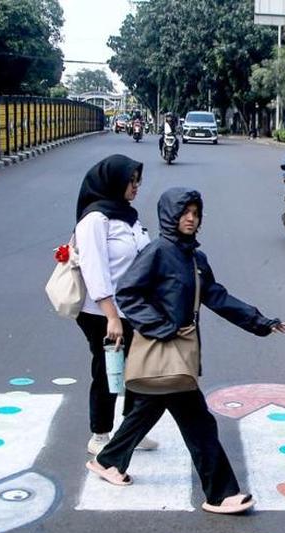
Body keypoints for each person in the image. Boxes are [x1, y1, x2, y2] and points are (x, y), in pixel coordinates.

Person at [87, 188, 285, 514]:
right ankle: (220, 494)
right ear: (170, 215)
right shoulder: (158, 251)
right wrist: (161, 327)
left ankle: (108, 460)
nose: (191, 218)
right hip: (166, 348)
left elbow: (216, 296)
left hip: (179, 351)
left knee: (149, 407)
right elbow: (127, 293)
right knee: (199, 423)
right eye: (185, 212)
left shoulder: (195, 258)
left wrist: (260, 322)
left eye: (196, 213)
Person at [73, 155, 158, 454]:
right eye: (130, 181)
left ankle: (131, 430)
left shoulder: (128, 217)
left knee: (138, 370)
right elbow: (94, 271)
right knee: (107, 369)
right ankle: (99, 433)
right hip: (101, 313)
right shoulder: (95, 220)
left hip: (134, 308)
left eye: (137, 181)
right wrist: (112, 317)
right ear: (113, 182)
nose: (135, 187)